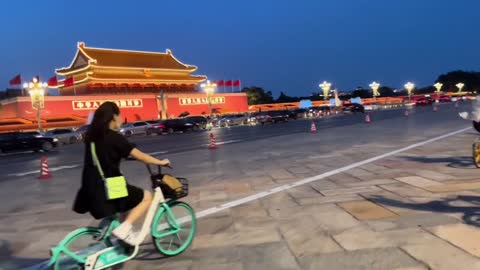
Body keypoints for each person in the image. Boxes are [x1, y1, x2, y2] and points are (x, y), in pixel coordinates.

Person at [73, 101, 170, 245]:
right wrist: (160, 162)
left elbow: (105, 155)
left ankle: (113, 233)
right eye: (120, 116)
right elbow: (140, 156)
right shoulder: (114, 138)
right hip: (111, 186)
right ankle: (125, 228)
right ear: (113, 117)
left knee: (124, 205)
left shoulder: (91, 138)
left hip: (90, 186)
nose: (121, 120)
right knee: (147, 197)